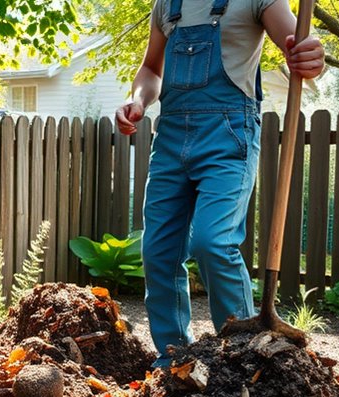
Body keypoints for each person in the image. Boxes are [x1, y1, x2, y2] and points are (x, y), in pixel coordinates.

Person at [115, 0, 324, 366]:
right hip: (170, 138)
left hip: (228, 137)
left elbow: (297, 41)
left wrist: (311, 55)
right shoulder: (167, 4)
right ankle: (174, 357)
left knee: (213, 241)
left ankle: (242, 358)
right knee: (158, 253)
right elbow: (150, 68)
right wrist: (137, 100)